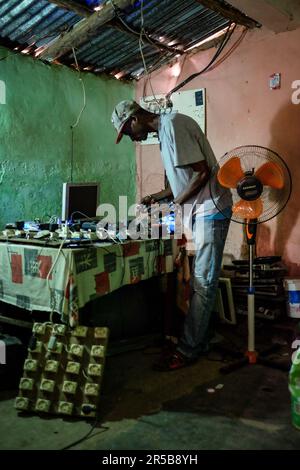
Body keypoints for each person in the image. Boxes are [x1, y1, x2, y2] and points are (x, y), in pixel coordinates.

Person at [111, 100, 232, 370]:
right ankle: (198, 338)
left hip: (211, 209)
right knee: (202, 281)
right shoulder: (166, 129)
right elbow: (185, 178)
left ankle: (188, 350)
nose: (133, 138)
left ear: (134, 119)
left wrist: (176, 204)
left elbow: (201, 174)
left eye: (129, 133)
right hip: (201, 211)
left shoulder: (174, 124)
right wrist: (158, 197)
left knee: (203, 282)